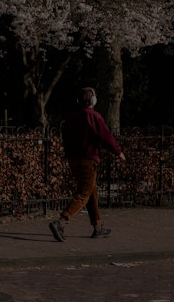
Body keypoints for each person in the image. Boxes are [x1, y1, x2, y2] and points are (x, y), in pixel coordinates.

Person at [49, 86, 126, 242]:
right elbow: (106, 137)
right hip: (88, 159)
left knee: (92, 191)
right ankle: (61, 221)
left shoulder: (71, 117)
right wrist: (118, 152)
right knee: (84, 193)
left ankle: (97, 227)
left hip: (74, 159)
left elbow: (65, 138)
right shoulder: (94, 116)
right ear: (93, 100)